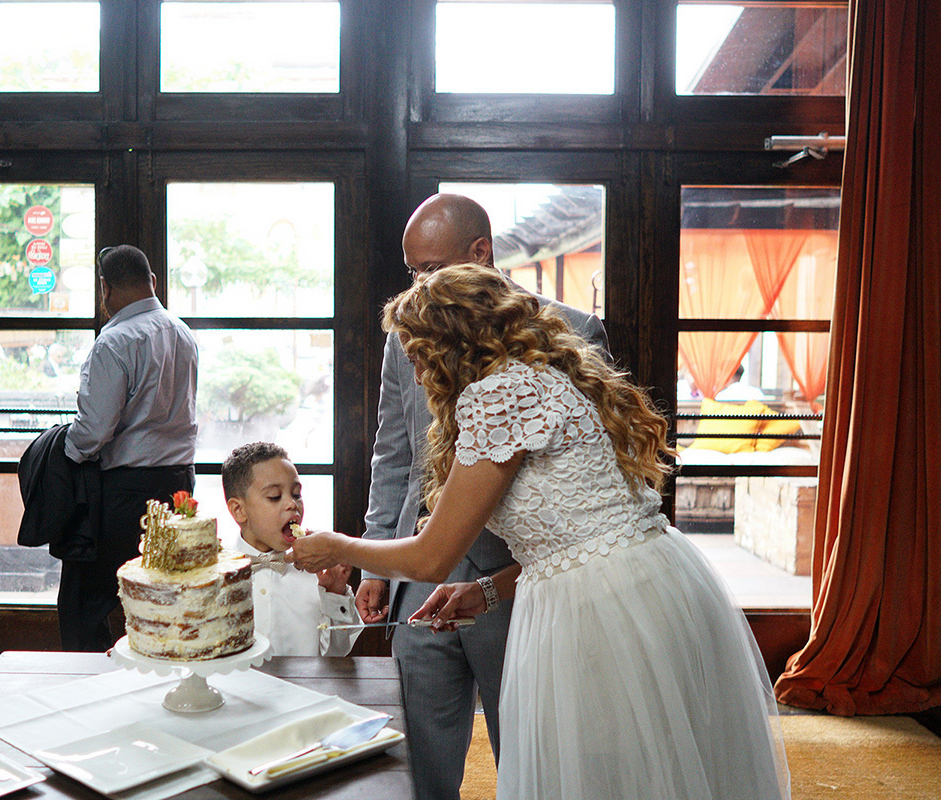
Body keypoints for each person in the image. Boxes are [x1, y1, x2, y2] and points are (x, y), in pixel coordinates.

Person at [288, 264, 791, 800]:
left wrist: (335, 547)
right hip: (638, 581)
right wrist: (485, 589)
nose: (415, 376)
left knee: (605, 772)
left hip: (602, 608)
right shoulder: (538, 377)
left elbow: (433, 557)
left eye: (417, 357)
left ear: (450, 344)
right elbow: (574, 535)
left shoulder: (500, 397)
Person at [358, 193, 610, 799]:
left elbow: (599, 467)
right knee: (415, 754)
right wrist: (372, 553)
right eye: (412, 270)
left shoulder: (571, 331)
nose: (420, 284)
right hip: (417, 575)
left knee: (527, 749)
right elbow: (395, 451)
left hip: (519, 579)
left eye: (433, 268)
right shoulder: (406, 334)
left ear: (481, 253)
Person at [60, 245, 198, 652]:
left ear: (105, 288)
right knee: (165, 593)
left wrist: (61, 452)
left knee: (87, 600)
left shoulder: (115, 341)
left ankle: (88, 690)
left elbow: (93, 431)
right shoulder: (182, 332)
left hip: (126, 492)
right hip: (178, 486)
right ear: (152, 281)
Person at [221, 442, 361, 656]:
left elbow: (337, 654)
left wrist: (334, 594)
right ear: (239, 510)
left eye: (296, 494)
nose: (292, 504)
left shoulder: (318, 573)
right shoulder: (214, 575)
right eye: (274, 497)